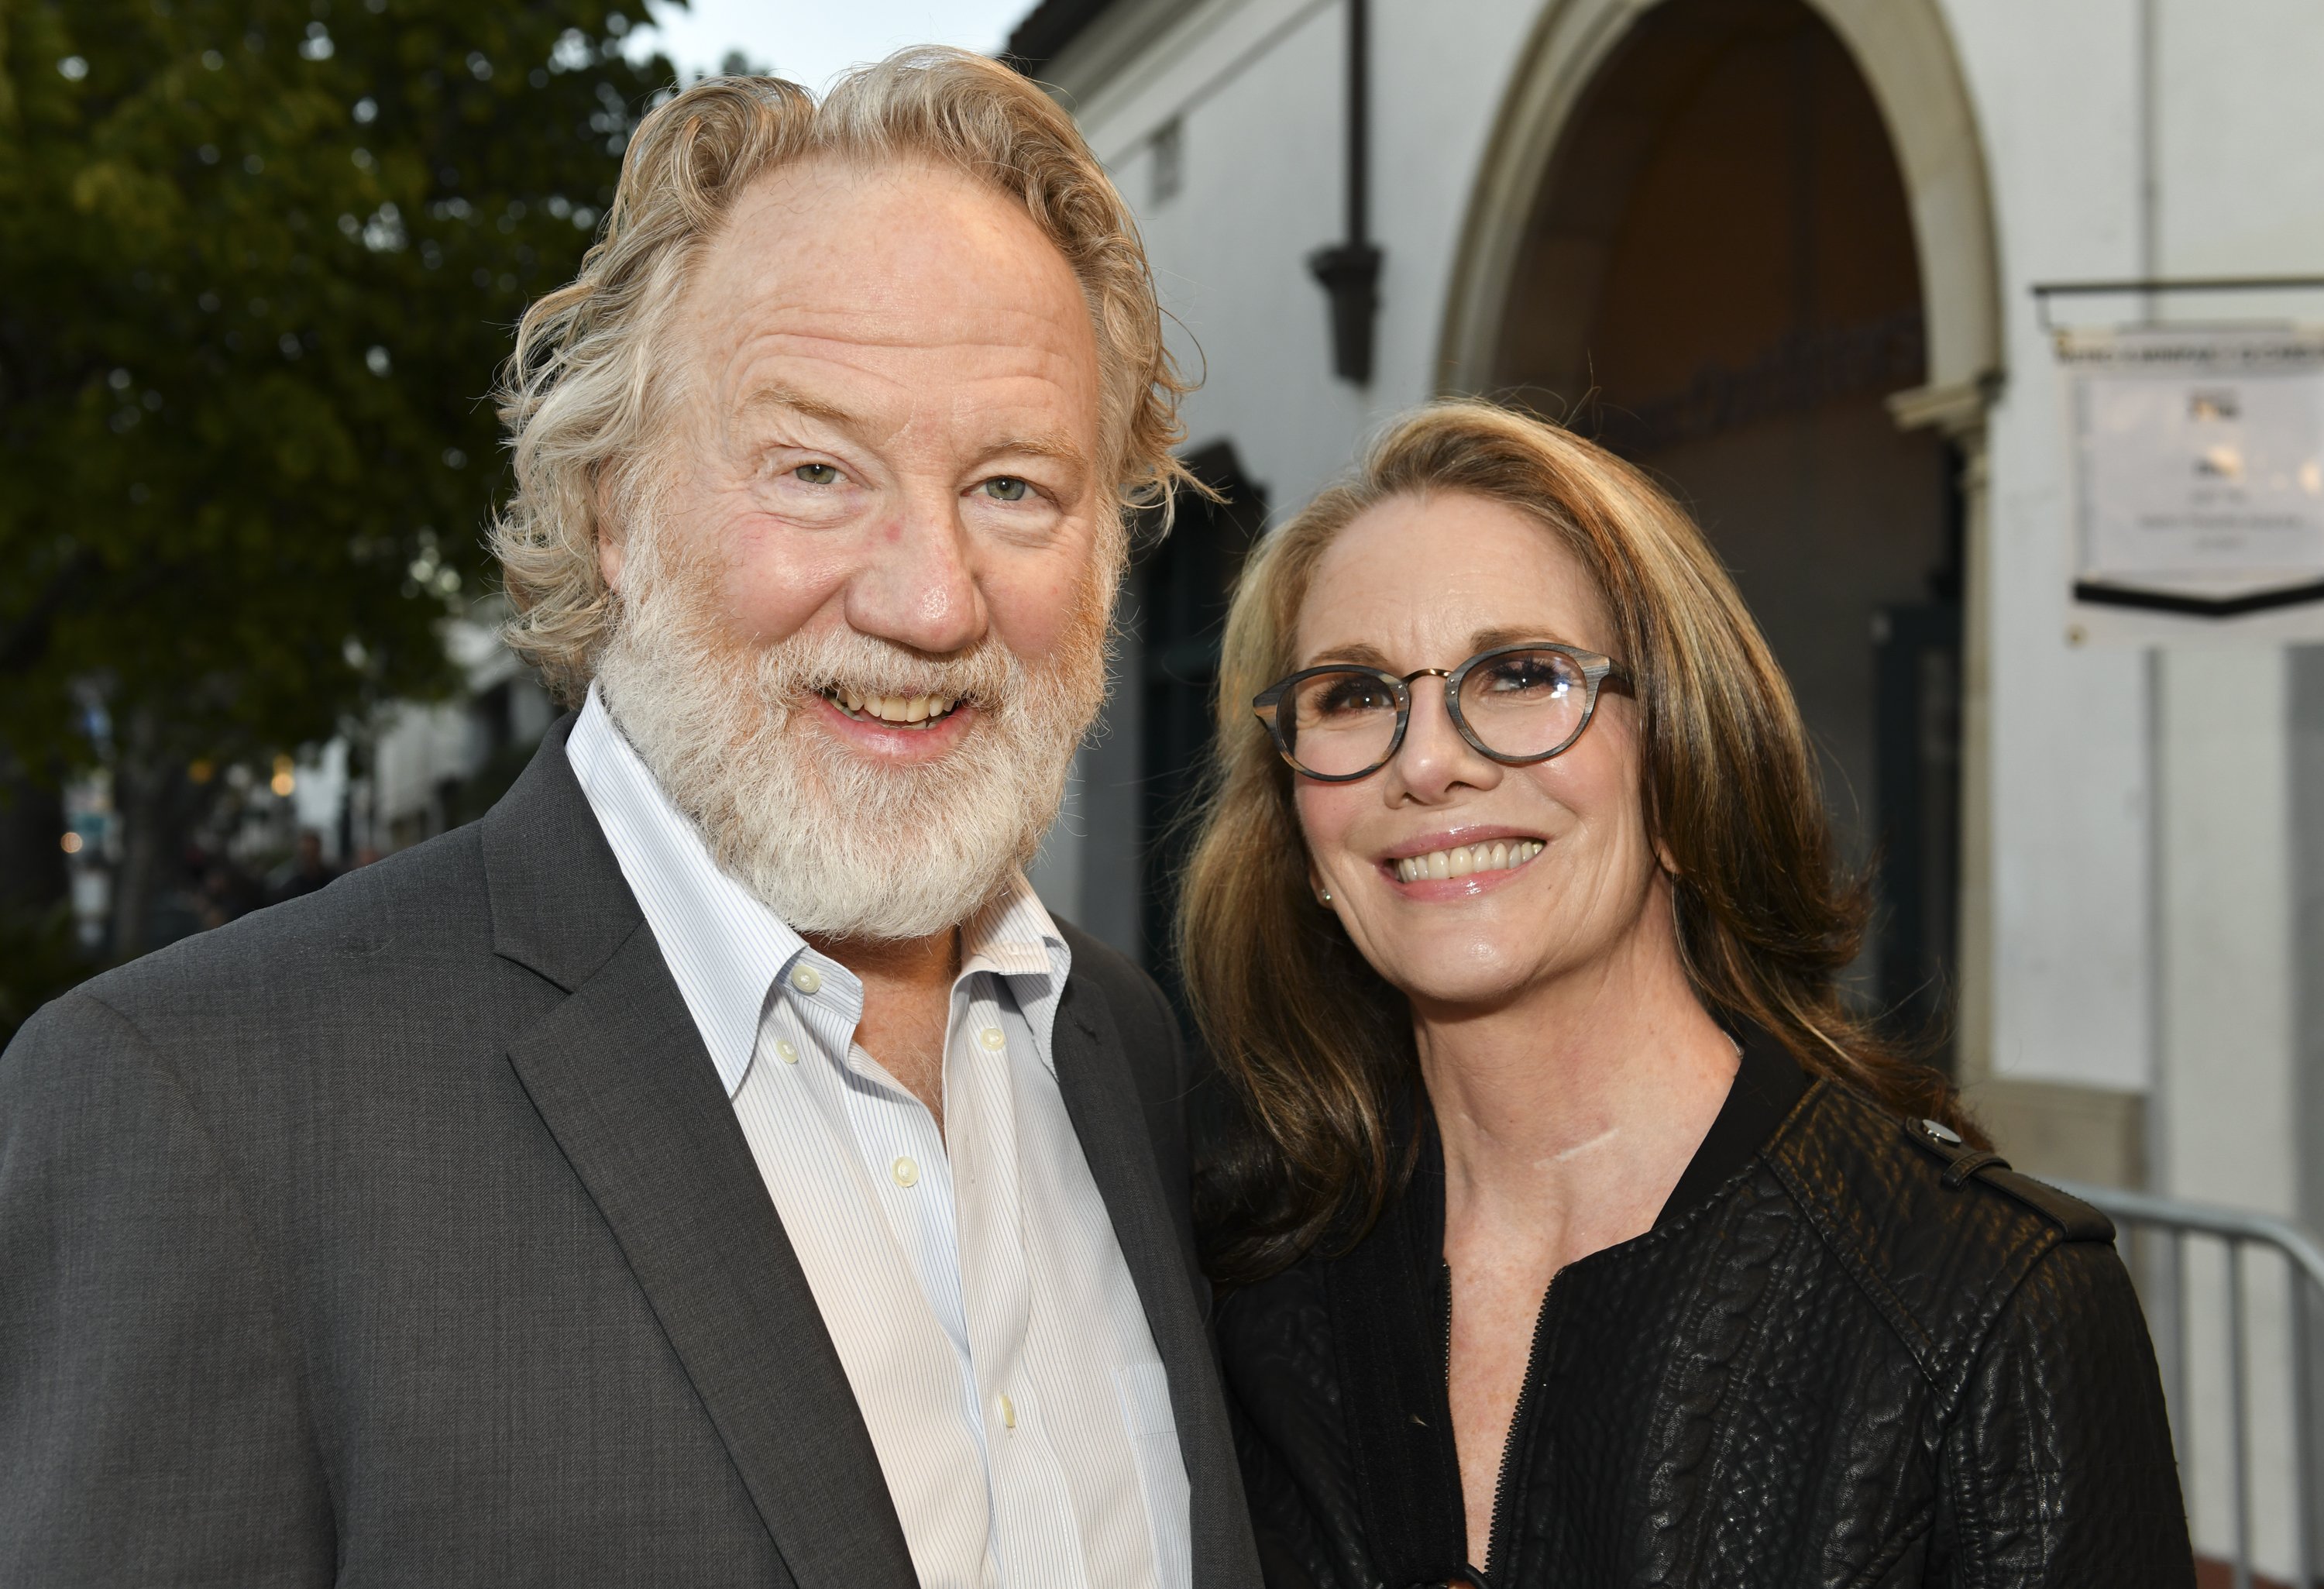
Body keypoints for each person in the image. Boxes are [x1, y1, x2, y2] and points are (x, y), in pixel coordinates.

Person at [0, 55, 1260, 1588]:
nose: (932, 599)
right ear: (608, 501)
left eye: (1013, 486)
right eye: (813, 468)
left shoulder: (1123, 1051)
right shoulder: (209, 1111)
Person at [1181, 401, 2192, 1587]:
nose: (1426, 761)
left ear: (1681, 763)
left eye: (1519, 674)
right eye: (1352, 695)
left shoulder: (1984, 1309)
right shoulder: (1241, 1274)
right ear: (1303, 832)